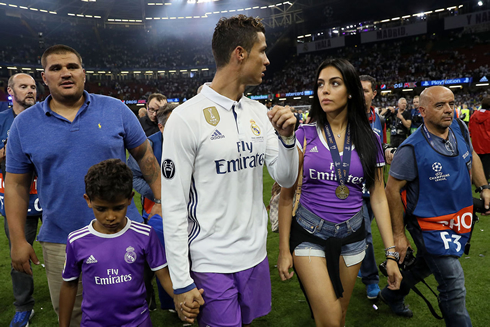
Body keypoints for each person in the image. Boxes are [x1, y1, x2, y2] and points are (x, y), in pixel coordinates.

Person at [5, 44, 162, 327]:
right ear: (45, 77)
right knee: (74, 315)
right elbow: (16, 185)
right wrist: (18, 240)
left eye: (72, 67)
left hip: (124, 234)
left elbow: (147, 160)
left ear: (84, 73)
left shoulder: (115, 109)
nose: (65, 73)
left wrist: (162, 203)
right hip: (61, 239)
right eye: (56, 68)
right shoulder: (24, 125)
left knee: (132, 309)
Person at [161, 15, 299, 326]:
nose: (266, 59)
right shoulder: (186, 118)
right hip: (211, 260)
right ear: (240, 53)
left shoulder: (258, 113)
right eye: (261, 51)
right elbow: (172, 205)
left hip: (255, 255)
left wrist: (288, 141)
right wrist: (181, 281)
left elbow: (286, 178)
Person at [276, 59, 402, 327]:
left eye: (335, 83)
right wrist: (284, 250)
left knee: (341, 316)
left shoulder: (371, 138)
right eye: (321, 84)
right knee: (331, 320)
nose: (325, 90)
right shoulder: (303, 135)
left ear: (352, 92)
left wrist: (391, 253)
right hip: (309, 233)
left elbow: (378, 196)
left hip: (354, 236)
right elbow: (286, 196)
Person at [379, 86, 490, 326]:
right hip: (427, 223)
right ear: (423, 111)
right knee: (453, 282)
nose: (449, 110)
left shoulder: (460, 128)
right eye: (440, 105)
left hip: (456, 217)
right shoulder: (411, 148)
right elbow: (392, 190)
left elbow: (472, 155)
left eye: (451, 103)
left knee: (424, 266)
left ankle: (391, 294)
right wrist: (399, 236)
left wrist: (484, 188)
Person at [59, 159, 200, 327]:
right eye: (101, 209)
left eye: (117, 208)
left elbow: (164, 276)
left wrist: (184, 297)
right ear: (88, 200)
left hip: (138, 322)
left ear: (130, 198)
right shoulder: (77, 241)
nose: (110, 217)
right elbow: (69, 285)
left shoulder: (145, 234)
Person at [128, 103, 178, 311]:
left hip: (193, 212)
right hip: (158, 213)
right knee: (162, 261)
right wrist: (160, 195)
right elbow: (134, 177)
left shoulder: (197, 142)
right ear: (161, 127)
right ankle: (169, 303)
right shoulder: (150, 144)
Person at [1, 73, 42, 327]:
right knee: (19, 255)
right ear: (10, 90)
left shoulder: (47, 117)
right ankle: (24, 306)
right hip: (17, 200)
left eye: (33, 87)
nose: (29, 90)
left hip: (51, 198)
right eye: (23, 86)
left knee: (67, 249)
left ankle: (72, 296)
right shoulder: (1, 120)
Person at [358, 74, 388, 299]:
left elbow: (382, 145)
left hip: (375, 186)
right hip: (354, 189)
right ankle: (371, 280)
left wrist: (389, 152)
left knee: (361, 235)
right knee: (366, 234)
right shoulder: (345, 117)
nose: (361, 94)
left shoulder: (378, 119)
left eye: (366, 91)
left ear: (374, 94)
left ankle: (357, 263)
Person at [469, 96, 490, 180]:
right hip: (487, 144)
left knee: (477, 163)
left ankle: (475, 179)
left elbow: (470, 130)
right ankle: (484, 181)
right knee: (486, 164)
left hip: (476, 143)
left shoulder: (474, 115)